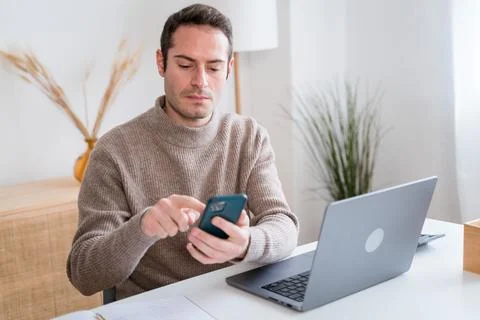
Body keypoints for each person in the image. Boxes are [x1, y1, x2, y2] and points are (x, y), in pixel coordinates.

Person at [67, 3, 299, 300]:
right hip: (154, 308)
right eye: (186, 65)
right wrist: (144, 227)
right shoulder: (114, 151)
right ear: (161, 63)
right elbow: (84, 274)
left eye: (214, 67)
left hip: (234, 301)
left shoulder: (249, 137)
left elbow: (284, 226)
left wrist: (247, 243)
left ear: (229, 69)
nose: (200, 81)